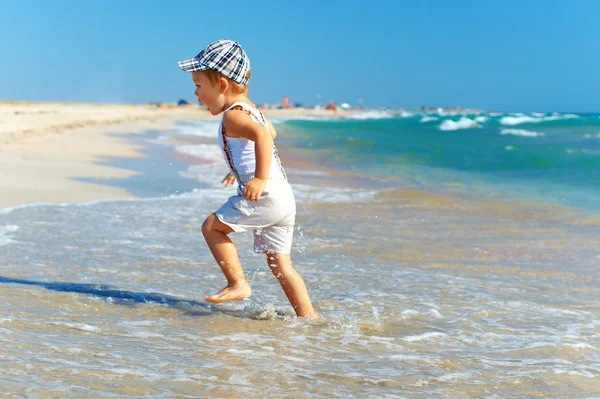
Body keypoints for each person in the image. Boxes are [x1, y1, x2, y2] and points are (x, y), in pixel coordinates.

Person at [178, 40, 319, 319]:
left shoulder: (233, 116)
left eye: (198, 86)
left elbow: (263, 137)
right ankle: (310, 319)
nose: (195, 94)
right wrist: (241, 169)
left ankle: (238, 283)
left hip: (266, 197)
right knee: (281, 265)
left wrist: (257, 177)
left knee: (211, 227)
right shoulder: (252, 109)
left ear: (221, 84)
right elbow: (270, 132)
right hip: (284, 200)